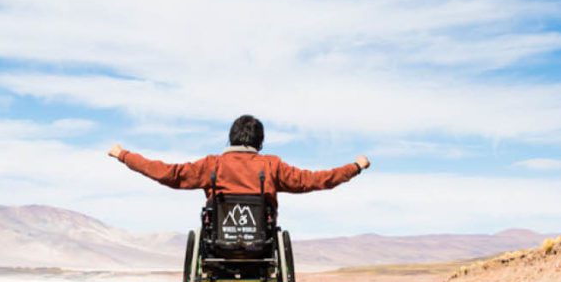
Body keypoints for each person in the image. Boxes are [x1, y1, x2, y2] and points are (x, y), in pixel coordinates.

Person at [107, 114, 370, 204]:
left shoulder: (212, 165)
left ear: (231, 138)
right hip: (261, 244)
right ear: (260, 142)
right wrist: (355, 167)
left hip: (219, 242)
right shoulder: (272, 165)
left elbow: (167, 173)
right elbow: (316, 180)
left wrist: (124, 155)